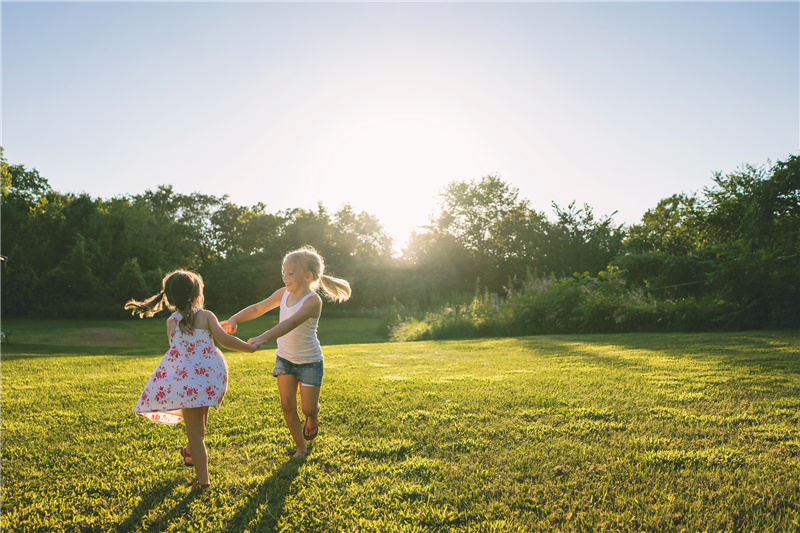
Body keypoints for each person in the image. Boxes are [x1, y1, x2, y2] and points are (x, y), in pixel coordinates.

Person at [126, 270, 256, 491]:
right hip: (210, 377)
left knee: (195, 433)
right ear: (197, 294)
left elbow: (180, 350)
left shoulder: (170, 322)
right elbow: (224, 340)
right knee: (199, 431)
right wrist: (249, 347)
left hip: (188, 380)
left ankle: (203, 483)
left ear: (170, 298)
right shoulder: (206, 316)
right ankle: (190, 452)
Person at [221, 246, 351, 458]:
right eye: (284, 272)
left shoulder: (312, 301)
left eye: (291, 273)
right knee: (287, 404)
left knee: (308, 408)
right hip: (285, 360)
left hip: (310, 361)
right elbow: (258, 308)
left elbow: (291, 322)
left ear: (308, 276)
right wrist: (235, 318)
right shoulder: (283, 294)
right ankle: (301, 447)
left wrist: (264, 337)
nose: (285, 277)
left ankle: (313, 415)